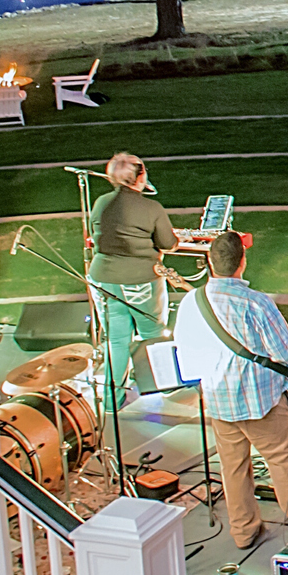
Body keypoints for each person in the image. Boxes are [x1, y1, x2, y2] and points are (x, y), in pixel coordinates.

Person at [173, 231, 288, 550]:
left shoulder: (190, 303)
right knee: (285, 465)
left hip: (218, 402)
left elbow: (185, 356)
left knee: (233, 468)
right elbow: (285, 353)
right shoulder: (255, 302)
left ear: (209, 264)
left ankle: (243, 531)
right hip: (261, 403)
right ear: (243, 262)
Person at [88, 151, 177, 406]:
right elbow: (167, 243)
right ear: (140, 177)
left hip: (102, 280)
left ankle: (110, 398)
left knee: (116, 340)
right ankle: (164, 383)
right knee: (153, 334)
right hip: (139, 281)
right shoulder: (151, 207)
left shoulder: (101, 202)